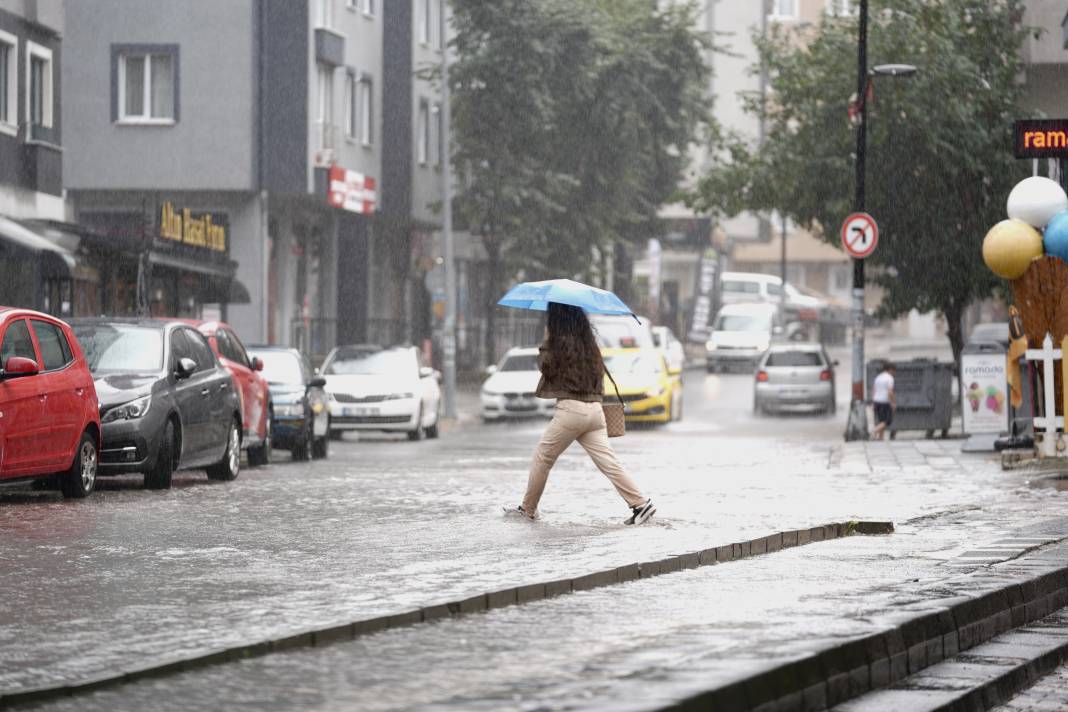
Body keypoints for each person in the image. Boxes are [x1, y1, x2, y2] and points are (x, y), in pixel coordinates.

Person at [506, 302, 655, 525]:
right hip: (595, 411)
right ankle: (641, 504)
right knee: (609, 462)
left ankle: (527, 509)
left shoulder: (558, 344)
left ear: (556, 320)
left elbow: (546, 367)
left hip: (571, 410)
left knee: (543, 457)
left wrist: (547, 341)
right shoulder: (589, 345)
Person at [871, 362, 896, 440]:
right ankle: (874, 431)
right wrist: (893, 402)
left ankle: (880, 438)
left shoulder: (878, 377)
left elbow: (874, 390)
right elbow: (890, 392)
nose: (894, 373)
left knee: (881, 420)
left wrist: (873, 401)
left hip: (877, 401)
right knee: (887, 421)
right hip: (885, 402)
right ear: (890, 370)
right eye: (894, 371)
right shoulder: (890, 378)